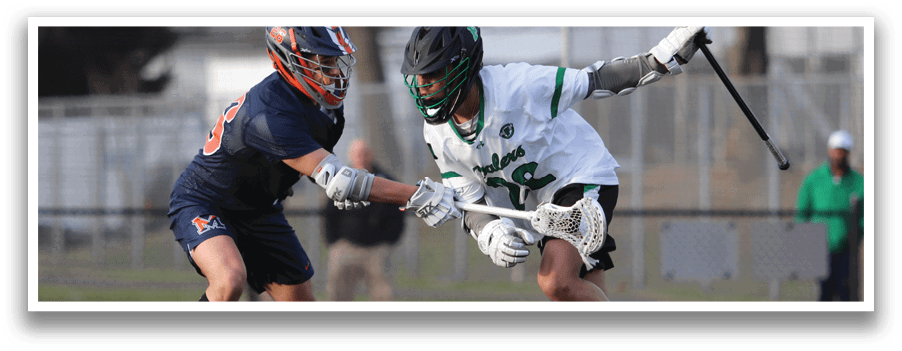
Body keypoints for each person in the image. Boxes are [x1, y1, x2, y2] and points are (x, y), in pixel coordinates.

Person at [400, 26, 711, 301]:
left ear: (463, 66)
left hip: (580, 177)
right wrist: (490, 233)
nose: (423, 85)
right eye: (419, 77)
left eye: (433, 74)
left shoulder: (518, 87)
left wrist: (660, 60)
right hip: (542, 208)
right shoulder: (437, 134)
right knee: (576, 291)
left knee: (555, 281)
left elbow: (595, 79)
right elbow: (470, 200)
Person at [167, 27, 460, 302]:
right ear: (290, 60)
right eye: (324, 61)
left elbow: (321, 171)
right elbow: (341, 180)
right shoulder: (268, 114)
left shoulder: (328, 109)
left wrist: (341, 187)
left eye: (336, 60)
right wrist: (419, 195)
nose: (335, 71)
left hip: (260, 210)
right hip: (205, 201)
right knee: (229, 280)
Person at [322, 139, 405, 301]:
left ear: (371, 154)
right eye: (357, 153)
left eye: (364, 153)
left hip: (377, 249)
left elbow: (397, 212)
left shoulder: (385, 180)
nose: (361, 157)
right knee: (338, 295)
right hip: (346, 246)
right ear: (351, 156)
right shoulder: (339, 181)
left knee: (383, 296)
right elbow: (329, 214)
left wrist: (389, 240)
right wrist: (333, 242)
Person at [795, 130, 864, 301]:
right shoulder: (814, 179)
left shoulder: (859, 182)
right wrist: (805, 238)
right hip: (819, 249)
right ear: (829, 150)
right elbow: (802, 213)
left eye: (842, 151)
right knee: (823, 295)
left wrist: (857, 234)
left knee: (847, 294)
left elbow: (865, 216)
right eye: (835, 150)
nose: (838, 155)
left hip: (847, 250)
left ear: (848, 153)